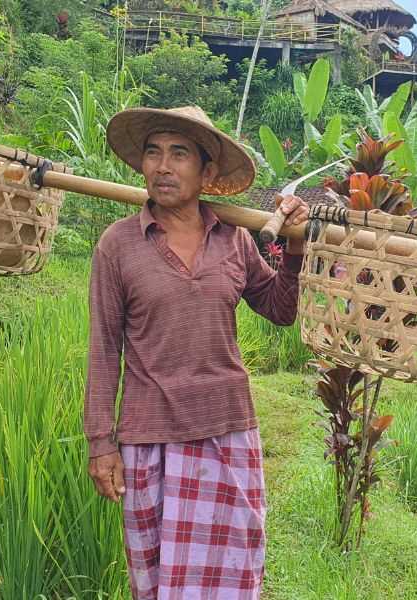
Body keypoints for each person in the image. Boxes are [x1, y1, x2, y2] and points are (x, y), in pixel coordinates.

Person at [85, 105, 309, 599]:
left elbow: (279, 309)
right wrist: (101, 444)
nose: (163, 166)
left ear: (207, 171)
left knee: (231, 574)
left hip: (226, 429)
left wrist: (294, 248)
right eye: (153, 152)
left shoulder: (233, 240)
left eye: (179, 154)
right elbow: (103, 349)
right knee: (157, 579)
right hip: (149, 435)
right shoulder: (118, 245)